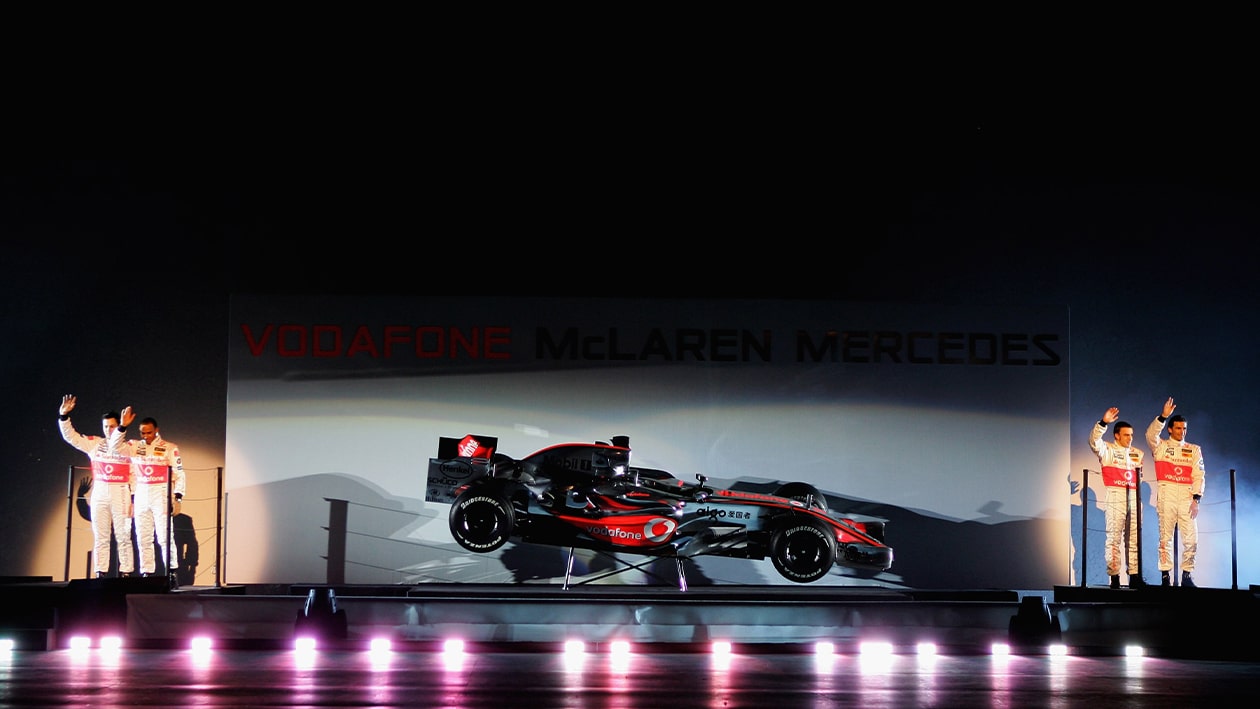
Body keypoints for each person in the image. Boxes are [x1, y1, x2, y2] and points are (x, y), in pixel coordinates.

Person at [58, 395, 137, 578]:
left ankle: (126, 572)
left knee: (123, 535)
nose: (108, 430)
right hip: (100, 491)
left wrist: (133, 497)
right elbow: (72, 438)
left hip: (121, 491)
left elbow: (134, 475)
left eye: (111, 426)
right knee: (101, 535)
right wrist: (63, 416)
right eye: (105, 426)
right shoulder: (95, 443)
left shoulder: (128, 447)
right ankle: (101, 572)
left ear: (119, 426)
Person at [1145, 397, 1206, 588]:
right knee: (1165, 538)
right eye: (1178, 428)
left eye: (1184, 428)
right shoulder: (1161, 446)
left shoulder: (1194, 449)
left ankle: (1187, 575)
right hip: (1167, 496)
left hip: (1187, 498)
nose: (1182, 432)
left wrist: (1196, 499)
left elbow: (1199, 475)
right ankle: (1165, 576)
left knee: (1192, 539)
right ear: (1170, 429)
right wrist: (1163, 416)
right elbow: (1150, 435)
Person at [1087, 408, 1147, 589]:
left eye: (1131, 435)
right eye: (1126, 435)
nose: (1130, 438)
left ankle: (1135, 576)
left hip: (1135, 497)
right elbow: (1093, 441)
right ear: (1117, 435)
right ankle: (1114, 577)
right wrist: (1103, 423)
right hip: (1115, 494)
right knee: (1113, 538)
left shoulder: (1138, 453)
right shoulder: (1108, 450)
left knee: (1134, 539)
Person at [127, 416, 186, 588]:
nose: (146, 436)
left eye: (149, 432)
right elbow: (129, 469)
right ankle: (147, 573)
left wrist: (178, 497)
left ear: (157, 430)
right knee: (143, 537)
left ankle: (172, 572)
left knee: (164, 536)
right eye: (143, 433)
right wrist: (131, 495)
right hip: (141, 493)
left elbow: (180, 473)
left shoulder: (169, 448)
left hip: (161, 492)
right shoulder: (134, 447)